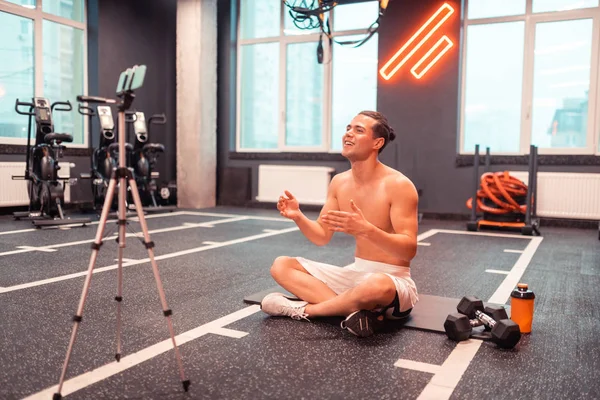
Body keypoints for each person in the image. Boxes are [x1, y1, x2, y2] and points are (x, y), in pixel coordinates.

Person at [260, 110, 420, 337]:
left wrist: (367, 230)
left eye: (358, 130)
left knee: (376, 285)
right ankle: (355, 313)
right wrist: (298, 216)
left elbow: (408, 250)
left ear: (377, 142)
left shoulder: (399, 185)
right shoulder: (339, 182)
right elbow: (321, 236)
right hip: (355, 276)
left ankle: (308, 310)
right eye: (348, 128)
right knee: (281, 266)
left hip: (392, 281)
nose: (348, 134)